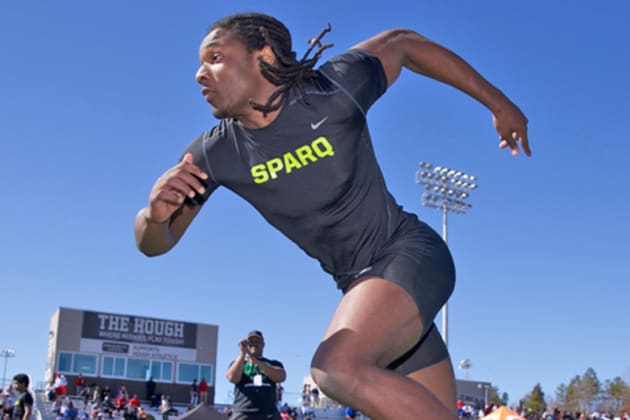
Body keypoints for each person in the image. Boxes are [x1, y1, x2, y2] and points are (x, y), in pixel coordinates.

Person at [134, 12, 530, 420]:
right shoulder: (215, 154)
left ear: (263, 55)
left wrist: (499, 104)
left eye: (215, 57)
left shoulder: (334, 88)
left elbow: (404, 42)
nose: (200, 74)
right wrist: (154, 215)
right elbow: (154, 244)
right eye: (200, 63)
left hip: (411, 255)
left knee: (335, 367)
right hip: (367, 294)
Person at [225, 330, 286, 419]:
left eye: (257, 342)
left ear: (263, 344)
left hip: (268, 413)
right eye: (251, 342)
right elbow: (232, 378)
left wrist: (256, 361)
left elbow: (280, 377)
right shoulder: (238, 363)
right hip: (243, 411)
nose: (254, 344)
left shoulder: (273, 363)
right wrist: (243, 353)